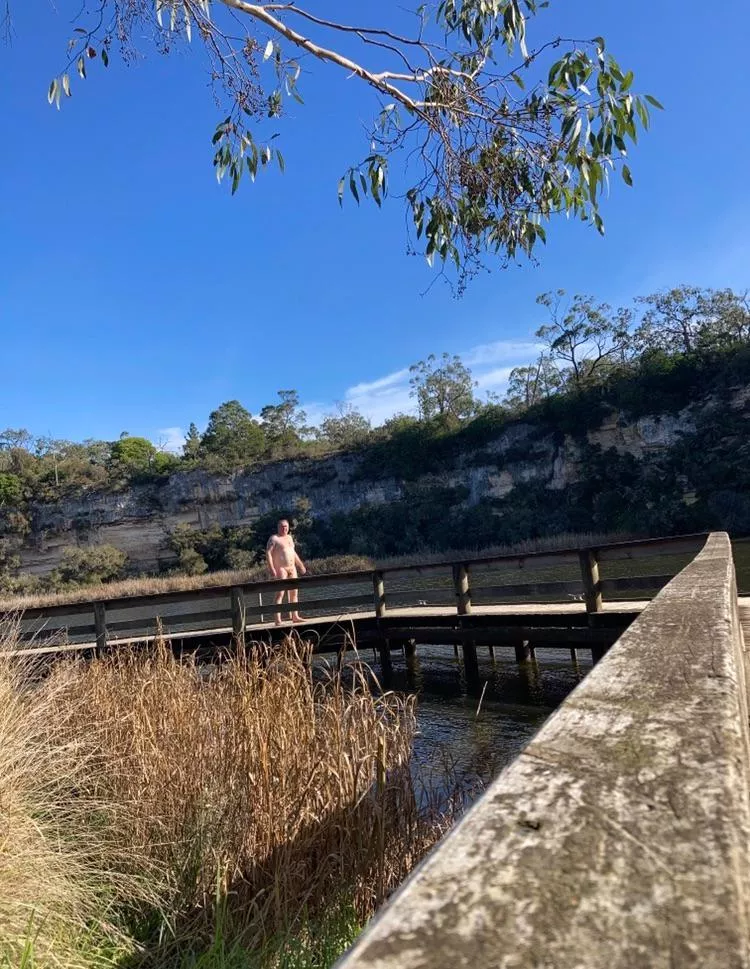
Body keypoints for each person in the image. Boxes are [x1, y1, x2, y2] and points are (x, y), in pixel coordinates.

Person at [266, 518, 307, 624]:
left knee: (294, 593)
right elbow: (269, 553)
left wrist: (300, 565)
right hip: (281, 568)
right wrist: (271, 568)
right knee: (280, 593)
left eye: (286, 526)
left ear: (288, 527)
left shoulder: (289, 538)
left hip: (292, 568)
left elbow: (293, 553)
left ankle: (295, 616)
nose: (284, 528)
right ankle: (277, 620)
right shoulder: (274, 539)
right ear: (278, 527)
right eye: (282, 526)